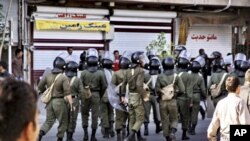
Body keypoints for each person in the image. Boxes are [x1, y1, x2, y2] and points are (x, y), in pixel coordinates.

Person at [38, 57, 73, 141]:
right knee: (63, 122)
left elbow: (40, 86)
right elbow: (67, 93)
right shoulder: (63, 78)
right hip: (60, 102)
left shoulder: (47, 75)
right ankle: (59, 139)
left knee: (49, 121)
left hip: (49, 102)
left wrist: (46, 92)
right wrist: (71, 104)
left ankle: (39, 134)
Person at [207, 76, 250, 141]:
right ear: (238, 88)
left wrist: (211, 136)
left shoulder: (221, 103)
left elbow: (214, 122)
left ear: (226, 88)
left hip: (224, 137)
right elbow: (245, 123)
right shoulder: (240, 102)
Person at [80, 48, 107, 141]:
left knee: (84, 114)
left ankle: (85, 134)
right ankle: (92, 136)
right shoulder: (100, 73)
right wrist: (99, 95)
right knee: (95, 116)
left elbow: (80, 85)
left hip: (85, 94)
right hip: (96, 95)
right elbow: (104, 86)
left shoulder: (83, 73)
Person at [156, 57, 185, 141]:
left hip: (162, 101)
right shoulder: (176, 76)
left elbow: (157, 90)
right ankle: (172, 131)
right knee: (174, 118)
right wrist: (175, 94)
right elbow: (182, 90)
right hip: (173, 101)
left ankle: (167, 137)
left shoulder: (160, 76)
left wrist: (160, 96)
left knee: (164, 120)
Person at [122, 51, 146, 141]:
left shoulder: (128, 70)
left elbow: (123, 84)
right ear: (138, 60)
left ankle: (131, 139)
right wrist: (144, 96)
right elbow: (139, 86)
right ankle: (129, 137)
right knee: (140, 118)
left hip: (130, 96)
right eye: (141, 58)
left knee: (132, 119)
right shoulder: (140, 70)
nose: (143, 59)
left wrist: (123, 96)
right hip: (137, 96)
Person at [111, 56, 130, 141]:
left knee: (119, 116)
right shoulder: (131, 73)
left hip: (118, 97)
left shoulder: (116, 73)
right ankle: (125, 132)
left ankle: (118, 134)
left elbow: (112, 86)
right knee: (129, 115)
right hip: (129, 97)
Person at [65, 61, 84, 141]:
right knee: (73, 119)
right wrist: (79, 99)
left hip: (64, 100)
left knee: (66, 119)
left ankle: (67, 137)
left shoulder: (63, 78)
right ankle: (70, 137)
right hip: (74, 100)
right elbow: (81, 92)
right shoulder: (77, 80)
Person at [188, 57, 207, 135]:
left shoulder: (187, 75)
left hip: (188, 95)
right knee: (195, 113)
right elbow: (203, 89)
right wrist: (205, 96)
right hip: (196, 95)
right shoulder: (200, 77)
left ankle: (188, 126)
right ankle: (193, 129)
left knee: (188, 112)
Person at [143, 56, 162, 136]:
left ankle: (146, 129)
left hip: (147, 95)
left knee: (146, 112)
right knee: (157, 113)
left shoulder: (146, 75)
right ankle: (158, 127)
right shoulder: (160, 76)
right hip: (156, 96)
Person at [176, 50, 191, 140]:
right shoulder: (188, 75)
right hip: (184, 98)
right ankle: (184, 134)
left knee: (173, 117)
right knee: (185, 117)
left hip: (174, 98)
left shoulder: (173, 73)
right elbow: (189, 90)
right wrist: (190, 101)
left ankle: (172, 132)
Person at [100, 53, 115, 138]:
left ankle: (106, 131)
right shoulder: (113, 72)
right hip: (112, 95)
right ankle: (111, 128)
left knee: (104, 113)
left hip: (103, 95)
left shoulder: (101, 72)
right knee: (111, 112)